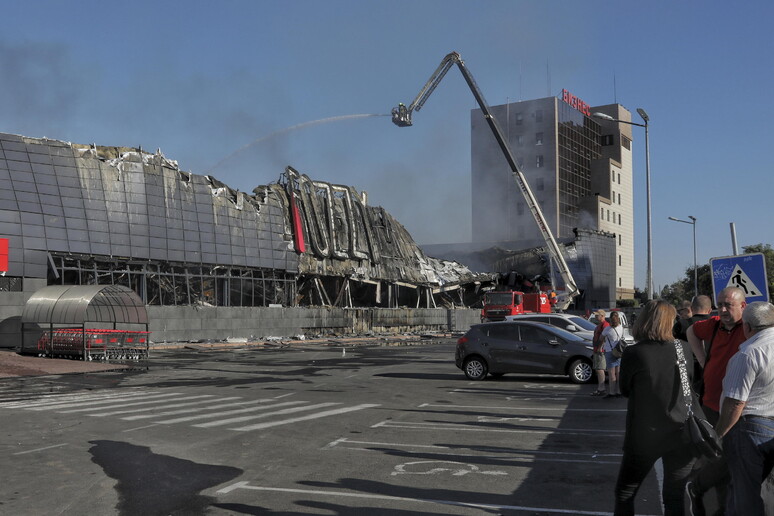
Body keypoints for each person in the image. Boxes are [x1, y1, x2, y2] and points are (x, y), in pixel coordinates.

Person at [614, 300, 699, 515]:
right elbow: (689, 382)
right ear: (671, 322)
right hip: (682, 433)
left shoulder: (635, 353)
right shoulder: (684, 349)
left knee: (626, 492)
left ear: (644, 320)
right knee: (674, 495)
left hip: (645, 435)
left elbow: (624, 389)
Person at [685, 287, 747, 515]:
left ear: (743, 306)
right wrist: (702, 359)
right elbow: (692, 331)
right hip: (712, 403)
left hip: (740, 406)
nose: (722, 309)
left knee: (729, 459)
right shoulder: (712, 325)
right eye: (719, 304)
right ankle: (714, 502)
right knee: (718, 457)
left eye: (727, 305)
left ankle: (699, 488)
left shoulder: (750, 326)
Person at [714, 302, 774, 515]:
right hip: (768, 429)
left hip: (750, 429)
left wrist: (718, 433)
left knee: (744, 492)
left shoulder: (748, 353)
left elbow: (735, 403)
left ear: (747, 326)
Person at [601, 311, 624, 398]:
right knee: (618, 372)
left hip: (610, 352)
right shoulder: (621, 327)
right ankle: (618, 391)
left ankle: (612, 392)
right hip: (619, 351)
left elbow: (601, 338)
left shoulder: (607, 329)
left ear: (610, 319)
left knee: (611, 374)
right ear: (618, 319)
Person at [591, 309, 609, 396]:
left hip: (600, 350)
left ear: (602, 316)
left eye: (597, 315)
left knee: (600, 368)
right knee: (598, 369)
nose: (595, 316)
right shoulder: (599, 325)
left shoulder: (605, 325)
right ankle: (600, 388)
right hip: (596, 349)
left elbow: (604, 337)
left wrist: (600, 347)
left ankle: (601, 388)